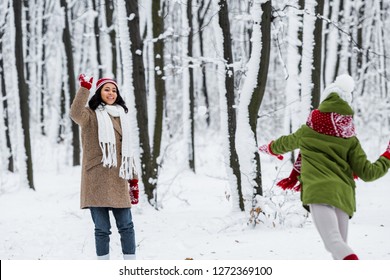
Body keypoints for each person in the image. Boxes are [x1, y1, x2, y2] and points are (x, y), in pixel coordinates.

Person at [259, 74, 390, 260]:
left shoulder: (308, 130)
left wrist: (269, 148)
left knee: (334, 243)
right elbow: (368, 173)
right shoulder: (350, 138)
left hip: (319, 193)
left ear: (325, 101)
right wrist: (387, 156)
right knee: (339, 250)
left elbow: (284, 143)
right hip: (343, 197)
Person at [70, 74, 140, 260]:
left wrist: (133, 180)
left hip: (119, 178)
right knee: (102, 229)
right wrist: (85, 87)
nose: (111, 93)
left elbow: (128, 153)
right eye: (106, 89)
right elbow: (75, 113)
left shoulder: (122, 116)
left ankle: (130, 266)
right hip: (96, 179)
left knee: (126, 225)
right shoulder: (90, 115)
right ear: (99, 92)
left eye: (114, 90)